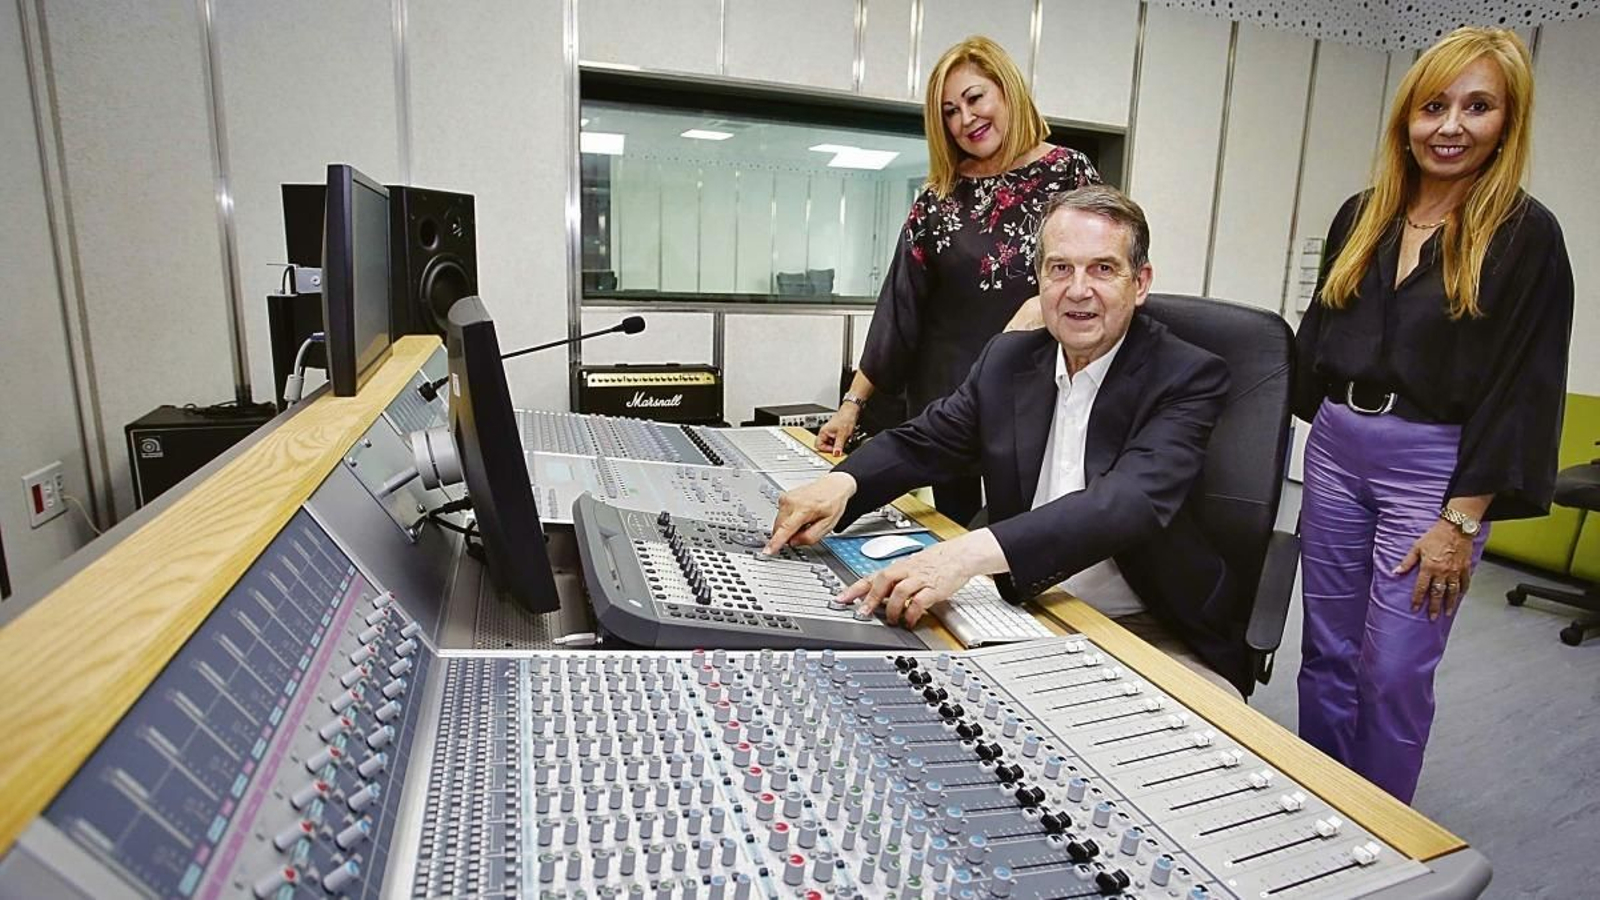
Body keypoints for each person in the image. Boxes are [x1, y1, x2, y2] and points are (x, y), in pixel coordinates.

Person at [770, 185, 1250, 696]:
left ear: (1141, 282)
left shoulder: (1188, 375)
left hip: (1148, 626)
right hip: (1023, 604)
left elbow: (1127, 501)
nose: (1078, 289)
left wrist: (963, 555)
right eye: (1060, 268)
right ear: (1039, 279)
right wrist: (842, 483)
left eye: (1103, 269)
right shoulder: (1010, 360)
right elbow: (925, 441)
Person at [1294, 26, 1573, 803]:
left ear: (1506, 123)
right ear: (1406, 120)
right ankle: (1321, 802)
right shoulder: (1364, 216)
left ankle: (1379, 828)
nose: (1450, 126)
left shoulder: (1526, 236)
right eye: (1433, 106)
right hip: (1337, 448)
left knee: (1392, 669)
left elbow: (1524, 383)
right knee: (1325, 649)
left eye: (1477, 107)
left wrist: (1462, 519)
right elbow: (1315, 341)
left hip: (1437, 472)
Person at [816, 35, 1100, 527]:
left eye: (975, 99)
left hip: (1038, 393)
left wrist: (1042, 301)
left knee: (1021, 541)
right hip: (948, 399)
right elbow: (899, 309)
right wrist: (851, 406)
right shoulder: (939, 195)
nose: (965, 120)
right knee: (954, 537)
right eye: (950, 111)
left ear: (1007, 91)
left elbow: (1103, 264)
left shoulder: (1068, 173)